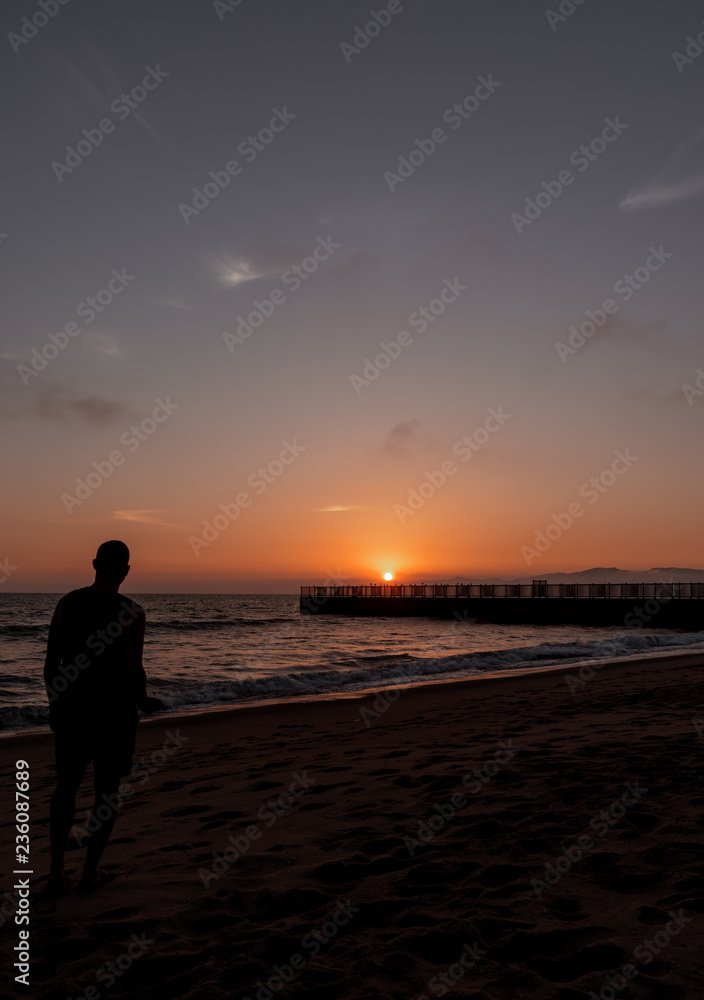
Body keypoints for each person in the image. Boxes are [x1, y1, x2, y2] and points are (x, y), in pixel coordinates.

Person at [43, 540, 164, 895]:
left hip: (73, 710)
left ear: (94, 563)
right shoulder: (132, 612)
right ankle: (90, 872)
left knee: (66, 787)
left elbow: (52, 665)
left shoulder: (66, 603)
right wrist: (143, 700)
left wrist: (55, 704)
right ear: (126, 571)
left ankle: (56, 872)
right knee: (106, 793)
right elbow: (132, 669)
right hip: (114, 713)